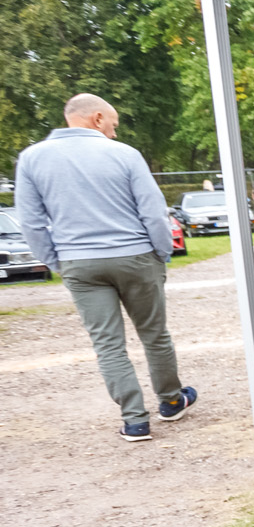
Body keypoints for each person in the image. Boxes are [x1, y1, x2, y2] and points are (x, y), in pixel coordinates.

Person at [12, 93, 195, 441]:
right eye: (113, 124)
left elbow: (31, 222)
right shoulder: (125, 154)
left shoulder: (32, 158)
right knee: (154, 335)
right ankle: (171, 401)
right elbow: (153, 211)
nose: (114, 131)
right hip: (136, 256)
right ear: (97, 118)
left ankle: (135, 420)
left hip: (79, 262)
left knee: (108, 345)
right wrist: (161, 253)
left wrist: (58, 262)